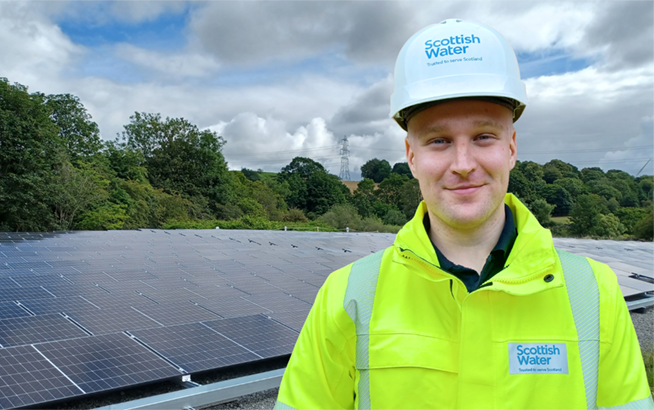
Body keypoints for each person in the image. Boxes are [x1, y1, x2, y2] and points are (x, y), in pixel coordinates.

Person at [274, 19, 652, 410]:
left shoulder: (594, 294)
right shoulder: (347, 296)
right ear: (412, 156)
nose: (463, 163)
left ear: (511, 148)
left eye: (483, 137)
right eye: (439, 141)